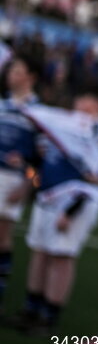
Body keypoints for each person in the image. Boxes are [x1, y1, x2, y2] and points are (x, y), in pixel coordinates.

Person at [19, 92, 98, 333]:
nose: (81, 105)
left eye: (88, 101)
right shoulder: (61, 124)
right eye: (79, 100)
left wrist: (71, 210)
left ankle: (50, 315)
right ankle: (32, 308)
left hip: (72, 203)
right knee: (40, 252)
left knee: (61, 257)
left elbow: (93, 174)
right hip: (47, 197)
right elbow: (43, 155)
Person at [0, 55, 40, 316]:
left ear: (30, 77)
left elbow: (41, 157)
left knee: (2, 237)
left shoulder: (39, 112)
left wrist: (27, 185)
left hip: (13, 179)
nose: (12, 75)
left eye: (18, 71)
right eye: (11, 71)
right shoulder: (2, 104)